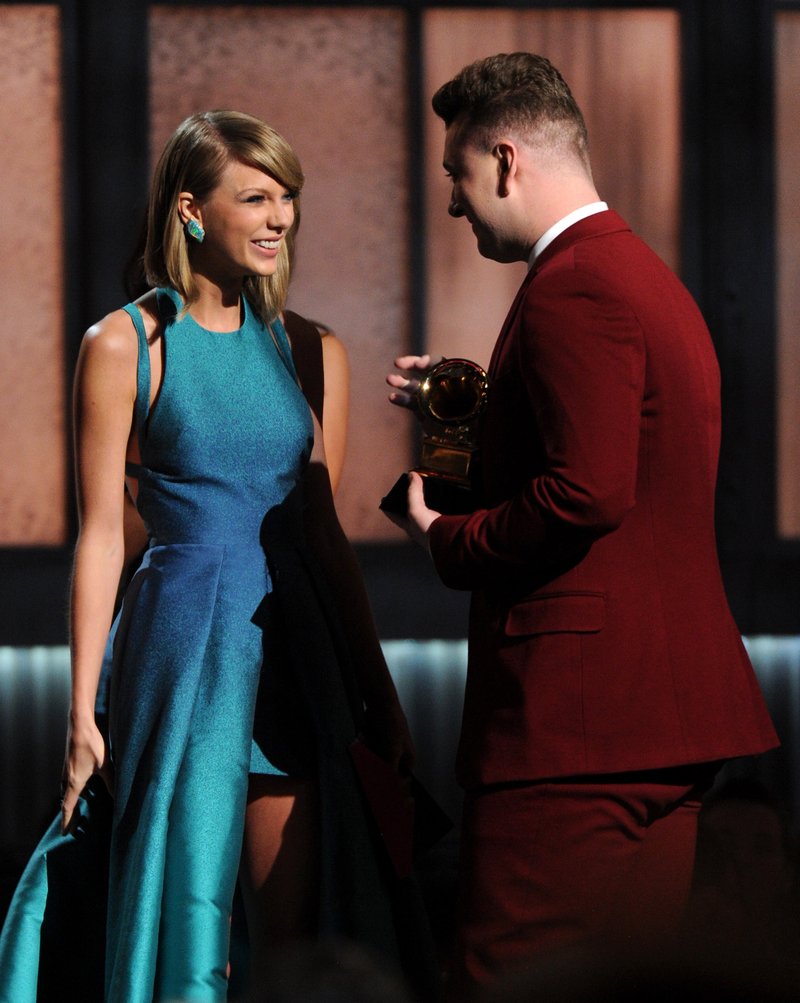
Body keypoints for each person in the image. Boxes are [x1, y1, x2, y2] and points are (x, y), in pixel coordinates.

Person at [0, 110, 427, 1003]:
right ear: (192, 212)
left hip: (291, 650)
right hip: (184, 647)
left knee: (294, 936)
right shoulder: (124, 343)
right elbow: (102, 535)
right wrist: (81, 713)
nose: (281, 218)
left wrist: (378, 694)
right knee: (188, 921)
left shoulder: (310, 350)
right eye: (257, 197)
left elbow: (322, 534)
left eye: (288, 198)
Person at [385, 52, 779, 997]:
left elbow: (587, 492)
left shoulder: (574, 286)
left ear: (506, 161)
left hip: (577, 726)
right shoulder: (640, 274)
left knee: (507, 980)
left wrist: (442, 536)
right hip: (657, 723)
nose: (453, 203)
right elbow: (625, 465)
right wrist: (482, 413)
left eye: (457, 174)